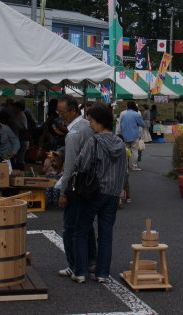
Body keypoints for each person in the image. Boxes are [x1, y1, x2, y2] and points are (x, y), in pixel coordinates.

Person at [75, 104, 127, 283]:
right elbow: (124, 171)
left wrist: (80, 156)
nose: (90, 125)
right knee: (105, 234)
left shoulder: (94, 141)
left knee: (81, 229)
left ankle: (80, 272)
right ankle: (102, 274)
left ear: (99, 122)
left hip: (94, 192)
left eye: (91, 121)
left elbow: (83, 166)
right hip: (113, 193)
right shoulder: (120, 143)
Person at [54, 95, 96, 280]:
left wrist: (63, 193)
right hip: (91, 184)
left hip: (76, 185)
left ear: (73, 111)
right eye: (58, 112)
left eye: (62, 112)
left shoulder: (74, 134)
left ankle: (75, 265)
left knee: (71, 227)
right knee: (86, 226)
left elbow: (69, 167)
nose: (60, 115)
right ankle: (91, 261)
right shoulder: (89, 126)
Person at [120, 101, 145, 171]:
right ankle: (134, 166)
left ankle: (125, 166)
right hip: (134, 135)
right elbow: (142, 124)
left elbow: (120, 125)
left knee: (125, 151)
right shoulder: (136, 114)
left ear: (127, 106)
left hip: (125, 135)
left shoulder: (124, 115)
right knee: (134, 150)